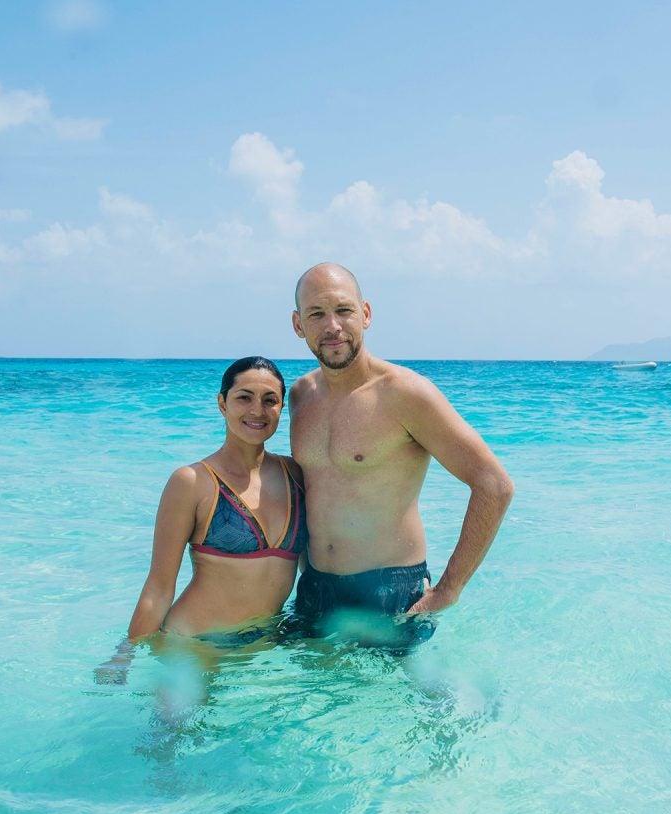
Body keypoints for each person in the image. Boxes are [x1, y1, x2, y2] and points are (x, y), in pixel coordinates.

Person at [288, 262, 514, 646]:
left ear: (366, 314)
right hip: (316, 589)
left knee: (421, 705)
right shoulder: (299, 397)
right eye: (316, 314)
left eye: (343, 310)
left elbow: (494, 485)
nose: (332, 326)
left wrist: (447, 591)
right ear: (298, 325)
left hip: (391, 592)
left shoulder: (406, 394)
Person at [96, 357, 307, 682]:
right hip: (192, 646)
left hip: (265, 644)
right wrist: (124, 654)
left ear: (282, 409)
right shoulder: (192, 482)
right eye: (244, 397)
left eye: (270, 401)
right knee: (175, 734)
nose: (257, 411)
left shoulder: (294, 474)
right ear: (222, 403)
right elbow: (158, 586)